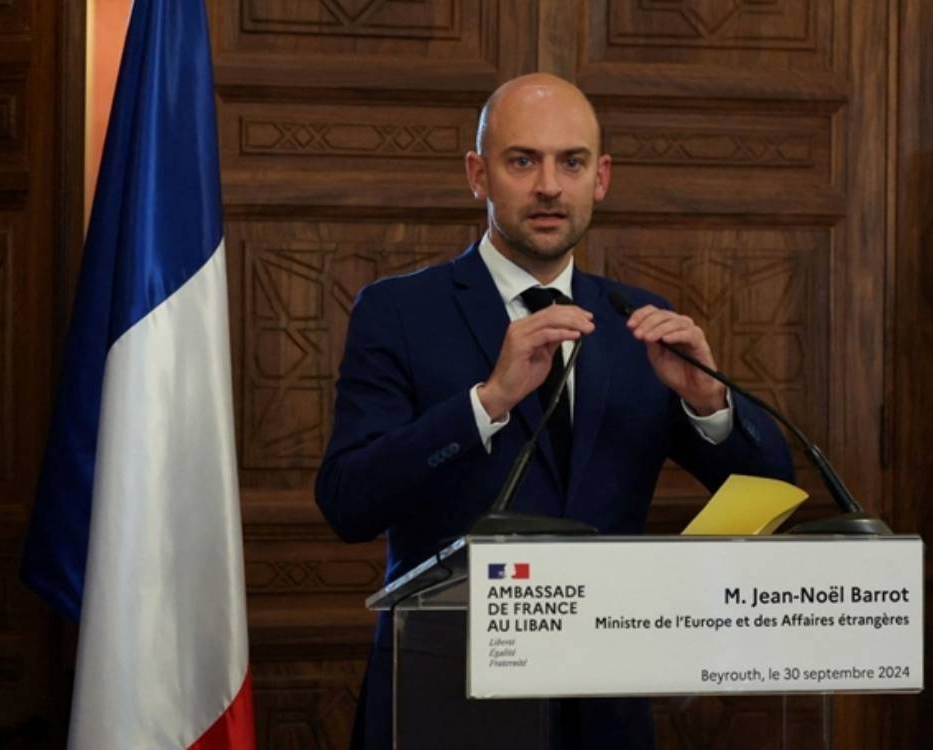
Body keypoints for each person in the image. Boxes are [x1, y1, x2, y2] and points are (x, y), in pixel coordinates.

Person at [315, 73, 794, 750]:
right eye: (522, 161)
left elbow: (772, 488)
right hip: (445, 699)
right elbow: (347, 503)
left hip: (605, 708)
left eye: (571, 163)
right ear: (478, 175)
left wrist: (707, 402)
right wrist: (487, 403)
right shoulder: (398, 313)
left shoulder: (637, 320)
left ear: (601, 178)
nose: (548, 186)